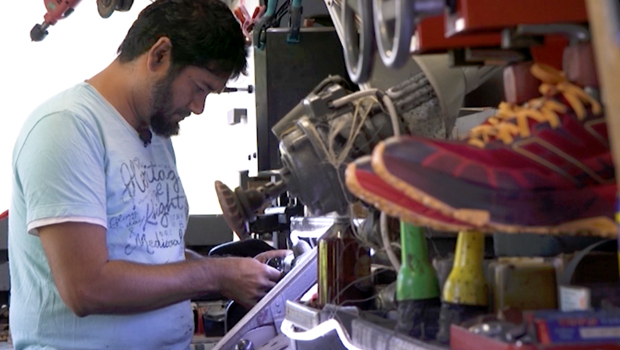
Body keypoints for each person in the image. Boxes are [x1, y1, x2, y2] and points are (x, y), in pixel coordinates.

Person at [9, 0, 288, 349]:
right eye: (199, 87)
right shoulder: (66, 129)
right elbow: (87, 288)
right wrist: (217, 274)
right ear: (159, 55)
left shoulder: (154, 135)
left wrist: (234, 274)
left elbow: (150, 255)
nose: (199, 108)